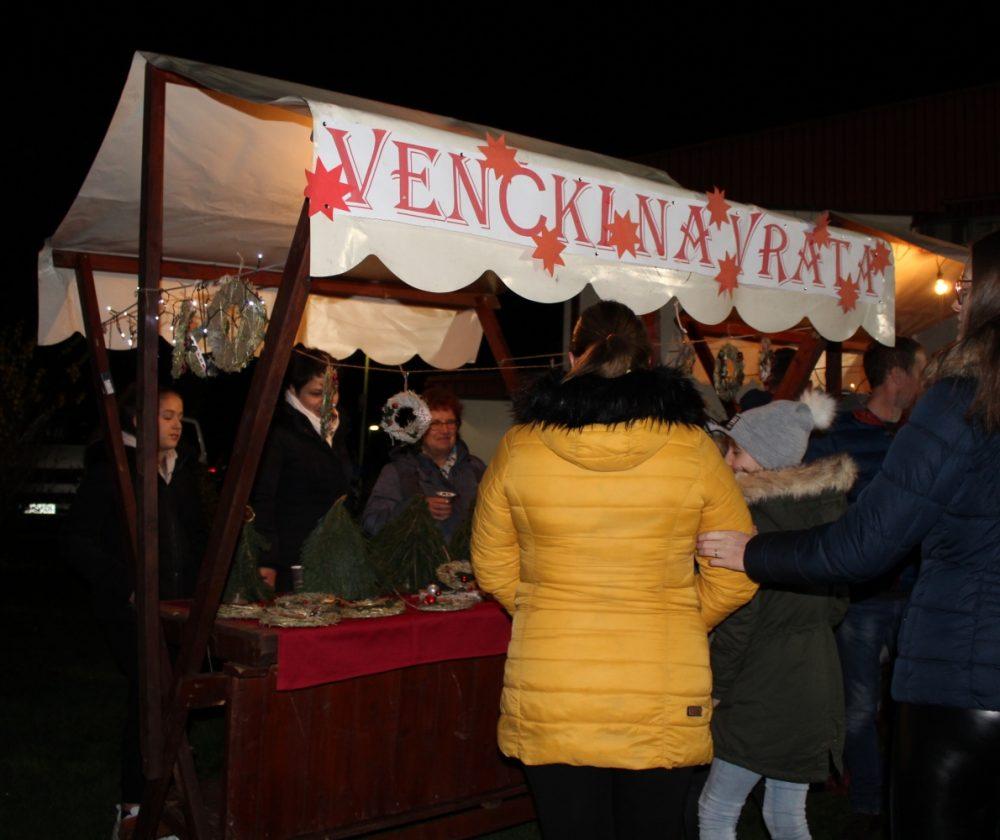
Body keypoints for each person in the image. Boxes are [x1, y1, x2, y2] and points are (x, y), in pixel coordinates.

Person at [698, 230, 1000, 839]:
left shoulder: (962, 403)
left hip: (963, 677)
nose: (958, 300)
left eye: (968, 285)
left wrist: (752, 552)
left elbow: (864, 546)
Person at [471, 300, 758, 839]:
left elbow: (491, 563)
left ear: (571, 357)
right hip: (659, 678)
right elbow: (736, 565)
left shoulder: (519, 447)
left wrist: (541, 607)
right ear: (648, 361)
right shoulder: (694, 449)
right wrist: (681, 617)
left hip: (554, 678)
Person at [698, 390, 853, 840]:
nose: (729, 462)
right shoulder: (830, 512)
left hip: (759, 688)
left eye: (738, 452)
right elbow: (839, 603)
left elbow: (739, 621)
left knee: (716, 811)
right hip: (816, 679)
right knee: (785, 813)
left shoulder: (748, 523)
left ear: (766, 458)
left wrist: (716, 689)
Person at [64, 385, 208, 838]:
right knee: (150, 698)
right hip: (130, 611)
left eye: (179, 415)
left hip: (178, 608)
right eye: (166, 415)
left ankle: (168, 799)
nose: (176, 425)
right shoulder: (114, 471)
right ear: (137, 420)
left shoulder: (181, 470)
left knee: (174, 699)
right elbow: (78, 540)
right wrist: (125, 584)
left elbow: (193, 536)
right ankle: (133, 807)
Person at [803, 336, 925, 830]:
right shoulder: (841, 437)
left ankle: (907, 801)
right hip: (864, 596)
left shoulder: (923, 436)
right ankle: (868, 806)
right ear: (896, 376)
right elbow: (815, 503)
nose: (922, 383)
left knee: (915, 704)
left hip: (919, 593)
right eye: (918, 372)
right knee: (858, 706)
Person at [252, 345, 353, 592]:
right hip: (292, 557)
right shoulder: (279, 430)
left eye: (333, 391)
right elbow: (263, 499)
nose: (328, 401)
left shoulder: (337, 427)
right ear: (293, 389)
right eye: (317, 393)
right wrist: (267, 560)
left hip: (333, 553)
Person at [362, 387, 485, 540]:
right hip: (416, 555)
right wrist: (415, 510)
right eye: (435, 423)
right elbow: (372, 524)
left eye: (450, 422)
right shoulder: (398, 471)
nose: (445, 430)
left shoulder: (476, 469)